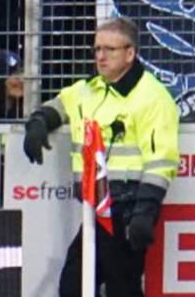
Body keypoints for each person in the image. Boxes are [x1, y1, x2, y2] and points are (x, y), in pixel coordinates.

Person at [22, 15, 179, 297]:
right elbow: (59, 104)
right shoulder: (91, 89)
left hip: (127, 208)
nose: (100, 56)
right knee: (74, 284)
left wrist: (144, 213)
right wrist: (38, 122)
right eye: (97, 49)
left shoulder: (152, 98)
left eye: (109, 49)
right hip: (97, 208)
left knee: (120, 287)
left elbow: (161, 160)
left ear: (130, 54)